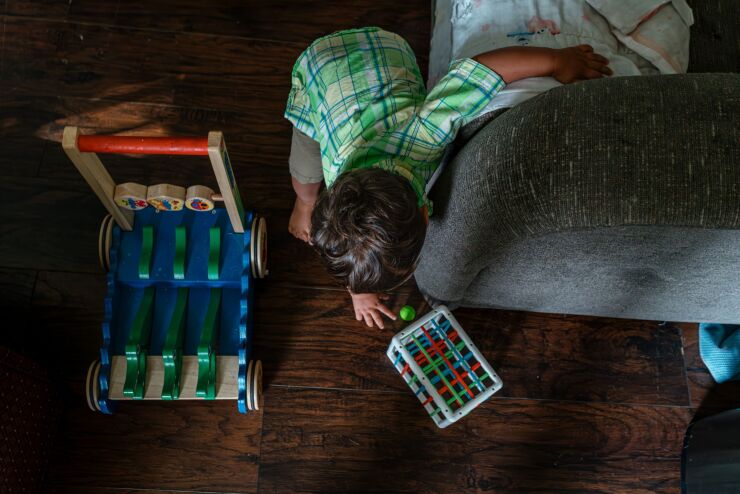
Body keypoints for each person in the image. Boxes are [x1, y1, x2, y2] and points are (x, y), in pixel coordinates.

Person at [285, 27, 611, 329]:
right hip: (335, 76)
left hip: (354, 59)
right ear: (425, 212)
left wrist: (558, 61)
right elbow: (343, 239)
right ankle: (304, 203)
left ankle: (304, 201)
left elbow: (481, 71)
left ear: (427, 213)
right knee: (306, 176)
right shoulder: (337, 173)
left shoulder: (426, 133)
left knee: (306, 178)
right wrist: (357, 289)